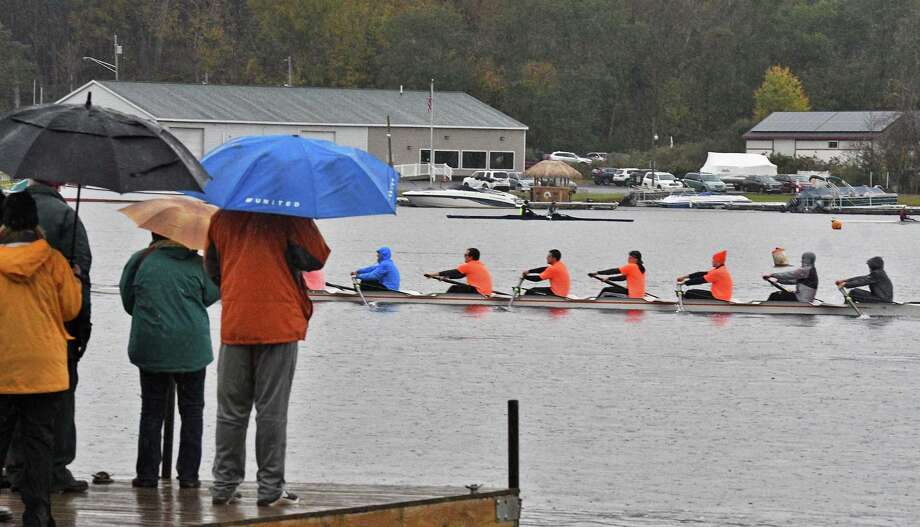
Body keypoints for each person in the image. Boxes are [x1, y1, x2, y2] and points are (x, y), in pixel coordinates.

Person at [206, 210, 330, 507]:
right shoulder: (290, 215)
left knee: (230, 412)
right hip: (279, 325)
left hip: (236, 322)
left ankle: (223, 486)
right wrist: (304, 220)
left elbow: (212, 270)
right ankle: (270, 489)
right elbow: (316, 258)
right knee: (271, 412)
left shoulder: (222, 218)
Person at [0, 191, 82, 527]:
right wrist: (74, 278)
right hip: (45, 370)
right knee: (38, 446)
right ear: (36, 222)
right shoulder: (54, 261)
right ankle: (38, 513)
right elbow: (70, 310)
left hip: (3, 365)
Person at [119, 233, 220, 489]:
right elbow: (210, 295)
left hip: (151, 346)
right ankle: (188, 476)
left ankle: (147, 475)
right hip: (192, 348)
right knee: (192, 411)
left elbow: (128, 302)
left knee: (152, 411)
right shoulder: (198, 264)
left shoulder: (140, 260)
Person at [425, 248, 493, 295]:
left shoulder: (468, 265)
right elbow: (459, 275)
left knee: (454, 288)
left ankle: (444, 299)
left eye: (465, 255)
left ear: (471, 257)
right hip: (486, 292)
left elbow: (453, 272)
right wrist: (446, 277)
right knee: (461, 287)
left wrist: (432, 274)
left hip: (478, 292)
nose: (464, 257)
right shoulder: (480, 265)